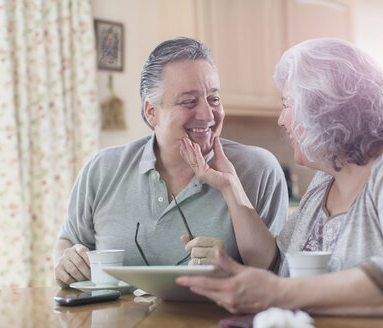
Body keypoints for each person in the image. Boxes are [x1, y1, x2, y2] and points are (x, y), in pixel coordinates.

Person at [176, 38, 383, 317]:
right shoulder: (326, 180)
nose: (281, 120)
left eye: (287, 104)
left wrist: (279, 293)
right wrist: (230, 185)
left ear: (327, 107)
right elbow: (279, 267)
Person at [53, 37, 288, 287]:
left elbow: (276, 274)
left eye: (214, 99)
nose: (208, 115)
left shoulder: (259, 169)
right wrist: (65, 262)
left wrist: (230, 269)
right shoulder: (102, 168)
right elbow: (69, 240)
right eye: (189, 101)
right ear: (151, 112)